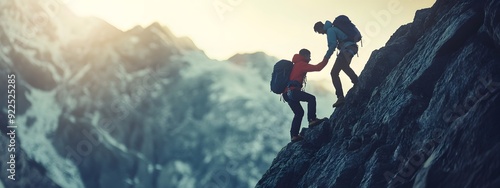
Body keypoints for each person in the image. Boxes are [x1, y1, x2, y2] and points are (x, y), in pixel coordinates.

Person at [283, 49, 329, 142]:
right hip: (293, 91)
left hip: (286, 94)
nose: (310, 59)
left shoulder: (295, 64)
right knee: (311, 99)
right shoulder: (301, 64)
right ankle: (312, 119)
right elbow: (318, 67)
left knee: (299, 113)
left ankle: (294, 135)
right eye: (309, 56)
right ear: (304, 55)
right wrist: (327, 57)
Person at [314, 20, 359, 107]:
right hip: (352, 48)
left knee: (334, 73)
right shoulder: (333, 28)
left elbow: (332, 45)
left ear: (320, 27)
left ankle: (340, 97)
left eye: (319, 32)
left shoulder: (330, 30)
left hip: (347, 49)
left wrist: (326, 57)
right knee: (344, 66)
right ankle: (356, 81)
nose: (321, 34)